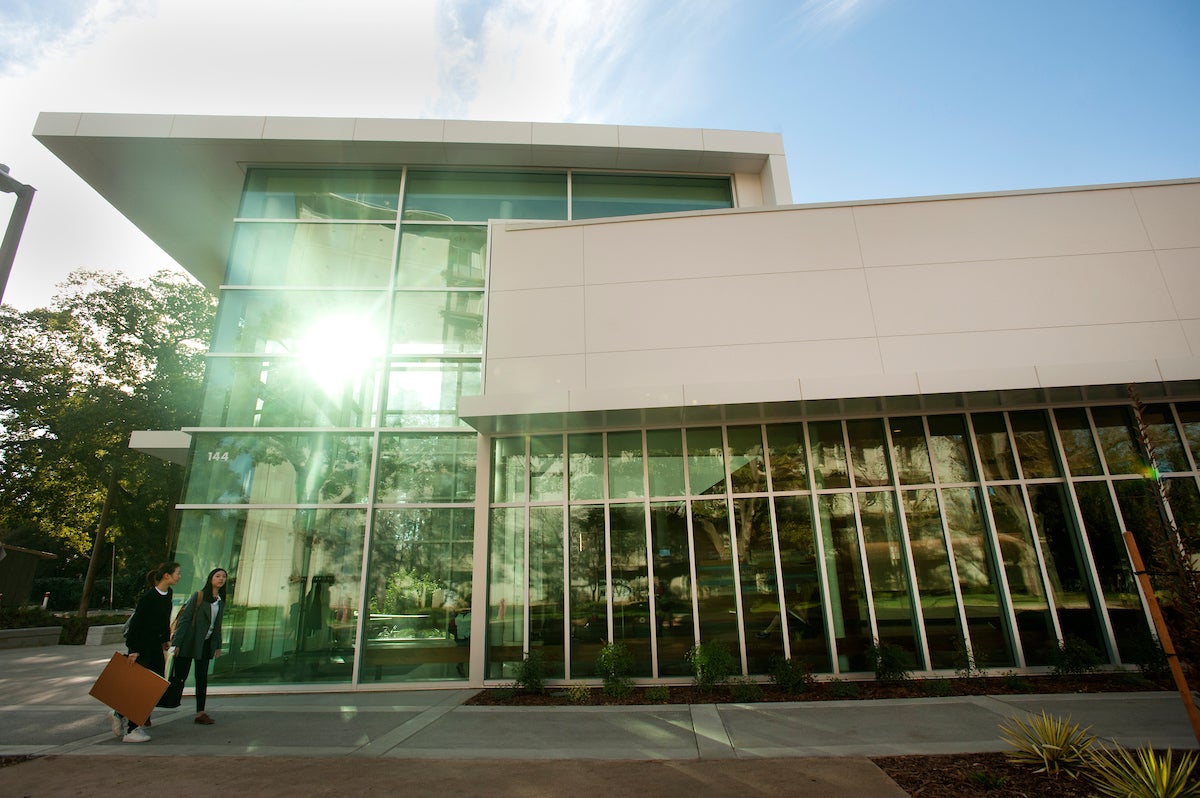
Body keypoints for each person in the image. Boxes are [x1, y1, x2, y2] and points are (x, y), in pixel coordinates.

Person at [112, 561, 180, 743]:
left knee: (153, 686)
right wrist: (134, 650)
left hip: (155, 646)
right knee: (144, 687)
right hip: (142, 648)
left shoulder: (168, 594)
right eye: (177, 573)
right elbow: (136, 625)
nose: (179, 576)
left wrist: (165, 639)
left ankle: (120, 714)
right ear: (166, 575)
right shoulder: (149, 597)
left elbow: (164, 620)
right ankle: (132, 729)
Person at [170, 567, 227, 725]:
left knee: (202, 678)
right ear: (211, 579)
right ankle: (149, 710)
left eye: (224, 576)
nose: (221, 579)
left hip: (205, 644)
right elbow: (184, 620)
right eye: (217, 576)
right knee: (178, 678)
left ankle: (200, 713)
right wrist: (176, 643)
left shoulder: (220, 600)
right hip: (189, 643)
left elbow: (217, 625)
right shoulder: (199, 596)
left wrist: (218, 645)